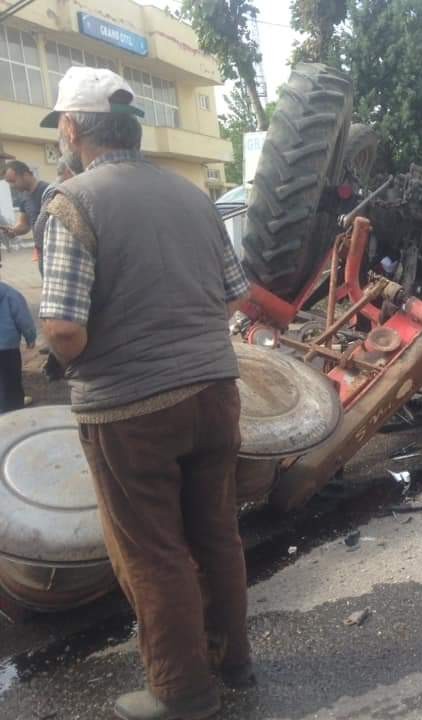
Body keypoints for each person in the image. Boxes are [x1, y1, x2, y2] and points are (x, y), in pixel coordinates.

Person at [38, 66, 252, 720]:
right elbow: (234, 297)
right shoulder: (192, 196)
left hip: (130, 411)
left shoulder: (72, 202)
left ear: (72, 128)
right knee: (217, 535)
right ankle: (233, 666)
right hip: (214, 393)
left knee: (154, 554)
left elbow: (66, 331)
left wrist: (54, 351)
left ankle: (183, 692)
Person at [0, 281, 36, 413]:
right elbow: (24, 320)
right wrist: (30, 338)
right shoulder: (10, 294)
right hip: (7, 350)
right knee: (11, 383)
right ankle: (12, 412)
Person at [2, 161, 50, 245]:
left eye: (13, 181)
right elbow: (24, 224)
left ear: (25, 175)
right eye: (9, 182)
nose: (11, 186)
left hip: (54, 247)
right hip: (40, 248)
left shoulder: (48, 190)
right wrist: (13, 230)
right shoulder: (24, 196)